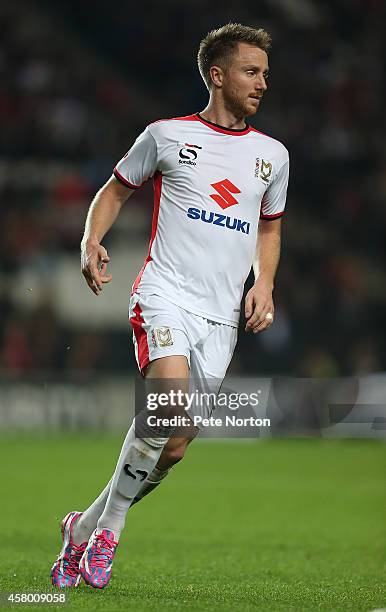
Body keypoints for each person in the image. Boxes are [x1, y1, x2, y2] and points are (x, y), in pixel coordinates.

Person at [50, 22, 289, 589]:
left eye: (265, 74)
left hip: (221, 316)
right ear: (217, 74)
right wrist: (91, 241)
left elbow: (270, 231)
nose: (262, 83)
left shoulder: (272, 156)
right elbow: (114, 191)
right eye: (251, 72)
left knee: (173, 446)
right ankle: (109, 529)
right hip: (166, 293)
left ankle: (80, 527)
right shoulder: (165, 135)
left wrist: (265, 283)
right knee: (163, 412)